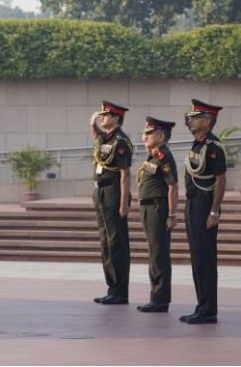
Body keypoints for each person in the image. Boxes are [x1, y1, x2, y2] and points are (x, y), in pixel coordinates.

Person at [181, 99, 227, 324]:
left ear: (206, 121)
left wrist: (214, 212)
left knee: (205, 259)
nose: (190, 120)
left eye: (195, 117)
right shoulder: (198, 143)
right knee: (197, 258)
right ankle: (201, 306)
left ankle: (209, 310)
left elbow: (220, 180)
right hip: (192, 203)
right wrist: (187, 120)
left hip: (205, 204)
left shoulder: (213, 146)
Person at [89, 100, 133, 305]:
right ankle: (112, 287)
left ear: (116, 118)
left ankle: (120, 291)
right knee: (106, 242)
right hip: (101, 192)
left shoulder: (121, 141)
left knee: (117, 242)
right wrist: (93, 125)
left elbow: (125, 175)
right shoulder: (106, 138)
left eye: (106, 115)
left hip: (114, 192)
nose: (102, 117)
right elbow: (98, 142)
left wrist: (123, 204)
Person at [136, 116, 178, 313]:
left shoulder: (163, 156)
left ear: (161, 136)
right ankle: (156, 296)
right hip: (148, 209)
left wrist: (172, 215)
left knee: (159, 255)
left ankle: (160, 299)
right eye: (144, 133)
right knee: (154, 254)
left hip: (158, 209)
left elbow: (173, 186)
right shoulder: (153, 155)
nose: (144, 137)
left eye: (148, 134)